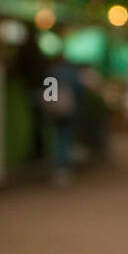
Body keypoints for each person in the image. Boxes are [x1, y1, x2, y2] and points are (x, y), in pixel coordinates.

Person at [44, 54, 80, 185]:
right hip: (69, 109)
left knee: (58, 137)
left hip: (56, 110)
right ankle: (65, 166)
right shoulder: (72, 73)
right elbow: (78, 90)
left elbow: (49, 94)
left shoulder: (52, 73)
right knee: (66, 137)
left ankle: (59, 166)